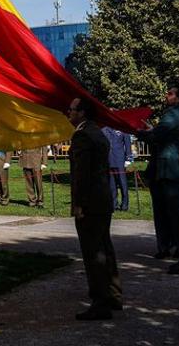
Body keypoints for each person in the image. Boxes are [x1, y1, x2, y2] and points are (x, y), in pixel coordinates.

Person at [67, 97, 122, 321]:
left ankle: (100, 302)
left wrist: (78, 203)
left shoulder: (82, 135)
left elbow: (82, 173)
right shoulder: (97, 133)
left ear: (82, 113)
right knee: (105, 248)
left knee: (94, 253)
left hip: (90, 201)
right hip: (102, 198)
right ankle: (113, 294)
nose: (68, 113)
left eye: (71, 110)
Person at [138, 86, 179, 274]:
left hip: (171, 170)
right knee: (175, 215)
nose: (167, 95)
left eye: (171, 93)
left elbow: (157, 135)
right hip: (175, 169)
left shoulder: (173, 114)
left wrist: (137, 130)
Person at [102, 126, 134, 211]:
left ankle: (124, 205)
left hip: (119, 159)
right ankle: (113, 204)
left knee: (122, 183)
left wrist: (128, 158)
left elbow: (127, 143)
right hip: (108, 159)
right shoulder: (104, 129)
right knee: (111, 184)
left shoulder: (122, 128)